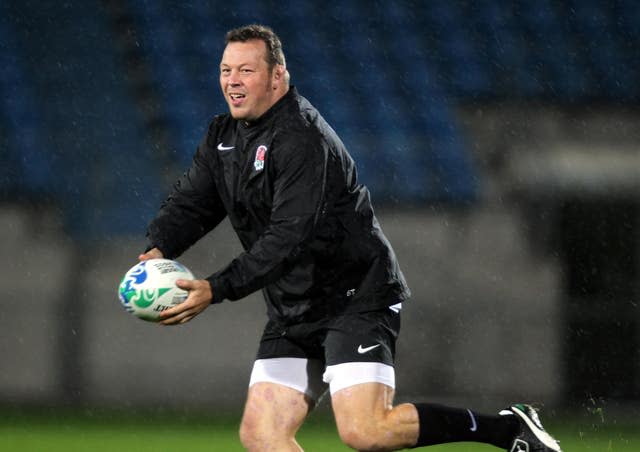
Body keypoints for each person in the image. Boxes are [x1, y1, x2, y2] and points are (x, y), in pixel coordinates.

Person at [138, 24, 562, 452]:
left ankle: (508, 430)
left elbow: (289, 237)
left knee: (366, 431)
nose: (232, 80)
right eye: (226, 70)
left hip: (355, 295)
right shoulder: (222, 136)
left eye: (246, 70)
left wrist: (216, 287)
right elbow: (193, 202)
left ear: (277, 76)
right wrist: (159, 246)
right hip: (295, 307)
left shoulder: (303, 139)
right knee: (262, 434)